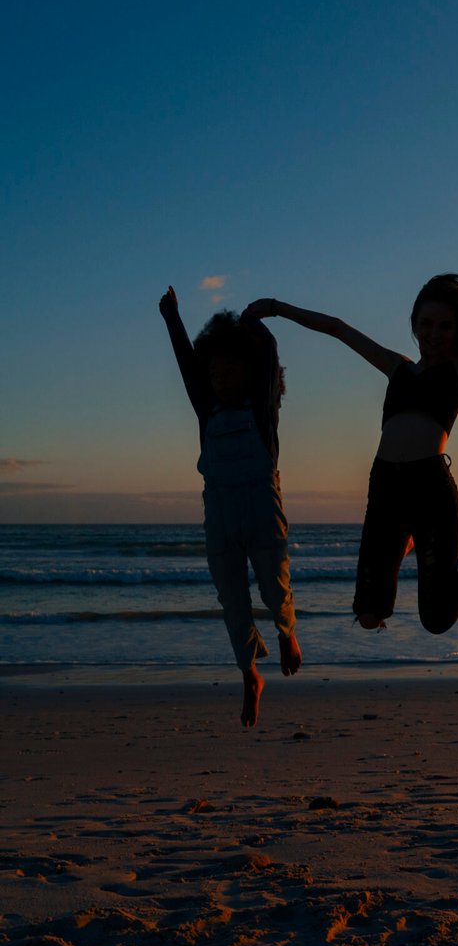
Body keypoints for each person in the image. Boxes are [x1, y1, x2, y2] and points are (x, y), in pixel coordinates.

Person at [244, 212, 458, 633]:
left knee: (437, 619)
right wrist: (275, 308)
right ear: (414, 324)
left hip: (430, 490)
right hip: (386, 487)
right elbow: (338, 329)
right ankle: (405, 539)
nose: (434, 334)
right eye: (426, 324)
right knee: (369, 614)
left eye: (444, 326)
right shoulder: (398, 368)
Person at [160, 288, 300, 727]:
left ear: (250, 370)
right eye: (214, 369)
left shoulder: (262, 411)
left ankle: (287, 633)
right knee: (232, 600)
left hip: (261, 510)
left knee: (275, 588)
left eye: (229, 368)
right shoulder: (207, 412)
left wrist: (256, 323)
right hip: (219, 516)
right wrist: (172, 318)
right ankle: (249, 675)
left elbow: (269, 351)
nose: (218, 375)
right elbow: (187, 365)